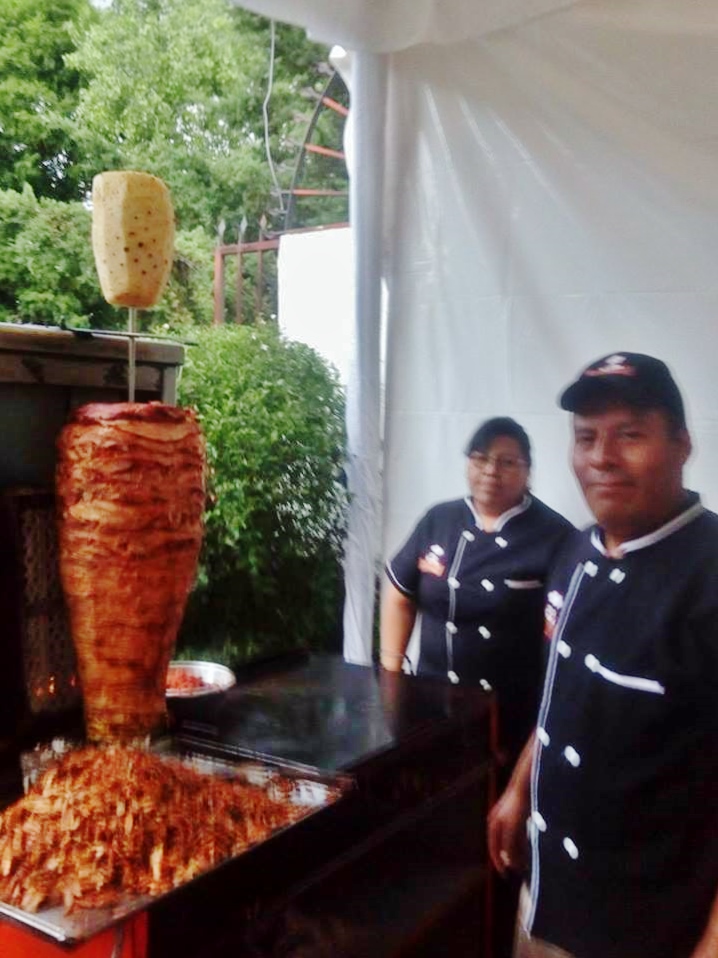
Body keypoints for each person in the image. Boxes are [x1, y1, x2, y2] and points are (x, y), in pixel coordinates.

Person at [488, 351, 718, 958]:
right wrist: (519, 788)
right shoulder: (575, 552)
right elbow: (561, 699)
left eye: (631, 435)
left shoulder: (710, 574)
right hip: (543, 899)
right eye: (586, 437)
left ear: (683, 444)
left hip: (647, 930)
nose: (602, 458)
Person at [381, 417, 573, 958]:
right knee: (433, 837)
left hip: (508, 727)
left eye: (508, 460)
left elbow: (564, 646)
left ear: (528, 472)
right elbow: (399, 589)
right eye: (482, 457)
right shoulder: (439, 521)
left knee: (497, 845)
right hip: (430, 716)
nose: (492, 470)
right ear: (468, 462)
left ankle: (488, 938)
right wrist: (390, 669)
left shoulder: (555, 537)